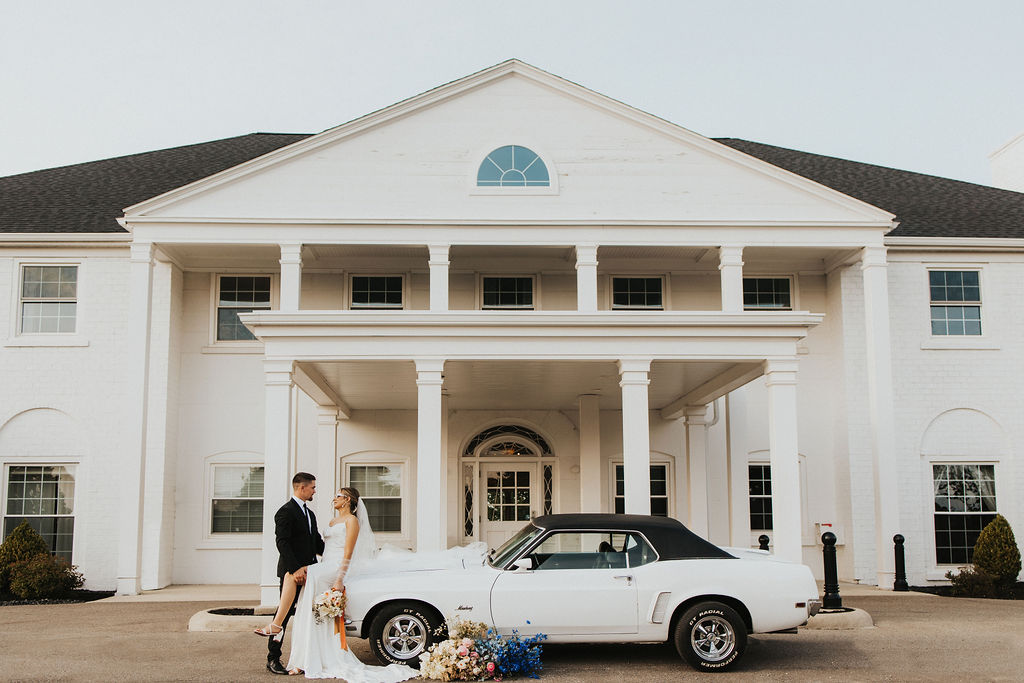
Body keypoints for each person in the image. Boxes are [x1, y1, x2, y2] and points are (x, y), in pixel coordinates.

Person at [284, 487, 417, 681]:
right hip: (325, 564)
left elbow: (348, 552)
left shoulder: (352, 521)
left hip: (336, 568)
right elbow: (325, 548)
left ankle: (279, 627)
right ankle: (304, 660)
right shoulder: (332, 521)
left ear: (347, 500)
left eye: (338, 496)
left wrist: (339, 578)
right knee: (314, 615)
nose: (334, 499)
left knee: (303, 577)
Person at [255, 472, 326, 676]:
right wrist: (295, 569)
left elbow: (316, 543)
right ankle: (273, 658)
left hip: (312, 573)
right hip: (292, 574)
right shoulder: (285, 512)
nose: (314, 491)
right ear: (302, 488)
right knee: (284, 614)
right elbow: (282, 543)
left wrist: (336, 555)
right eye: (312, 487)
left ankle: (308, 657)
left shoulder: (310, 514)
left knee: (311, 615)